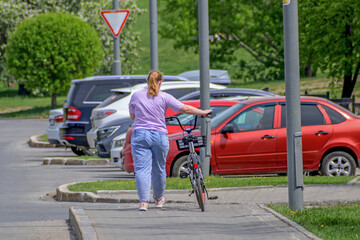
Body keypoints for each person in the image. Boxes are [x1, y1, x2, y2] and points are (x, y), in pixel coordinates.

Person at [129, 70, 212, 211]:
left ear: (146, 80)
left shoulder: (136, 96)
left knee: (142, 170)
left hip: (140, 135)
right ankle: (159, 199)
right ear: (160, 82)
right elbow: (185, 109)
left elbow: (133, 116)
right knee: (159, 168)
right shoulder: (164, 97)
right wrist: (203, 112)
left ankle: (143, 203)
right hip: (159, 135)